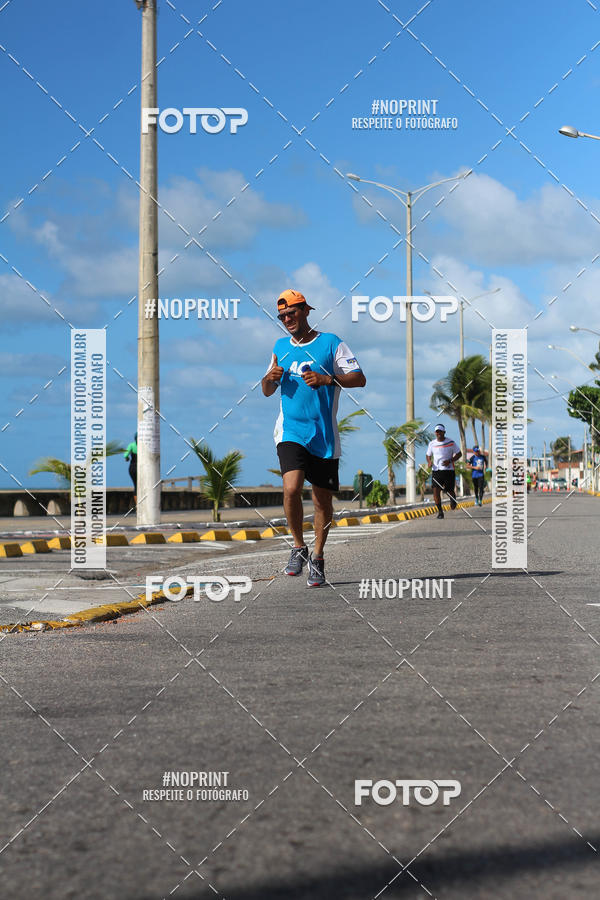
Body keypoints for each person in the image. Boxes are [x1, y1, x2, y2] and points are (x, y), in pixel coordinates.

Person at [262, 289, 366, 587]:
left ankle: (317, 556)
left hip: (323, 435)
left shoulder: (331, 343)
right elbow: (266, 390)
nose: (286, 319)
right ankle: (298, 546)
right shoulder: (280, 347)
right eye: (281, 316)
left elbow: (359, 378)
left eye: (291, 313)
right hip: (290, 431)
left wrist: (327, 379)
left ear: (306, 311)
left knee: (322, 503)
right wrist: (269, 379)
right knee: (291, 488)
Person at [426, 424, 461, 519]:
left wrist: (450, 461)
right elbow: (428, 455)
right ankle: (440, 512)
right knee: (435, 491)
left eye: (440, 432)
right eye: (437, 432)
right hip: (436, 470)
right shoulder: (432, 444)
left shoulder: (451, 442)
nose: (438, 434)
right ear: (435, 433)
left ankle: (453, 499)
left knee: (449, 490)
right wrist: (429, 462)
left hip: (448, 470)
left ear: (444, 432)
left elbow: (459, 454)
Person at [124, 433, 137, 503]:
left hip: (132, 468)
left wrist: (127, 459)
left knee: (136, 486)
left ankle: (138, 505)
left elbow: (125, 455)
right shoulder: (144, 445)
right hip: (142, 468)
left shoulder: (131, 445)